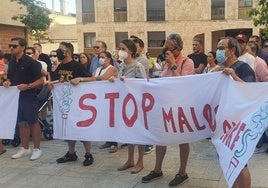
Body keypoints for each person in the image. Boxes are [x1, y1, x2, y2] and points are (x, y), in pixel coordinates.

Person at [142, 33, 195, 187]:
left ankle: (182, 172)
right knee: (161, 138)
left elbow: (182, 84)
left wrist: (173, 64)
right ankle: (157, 169)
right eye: (165, 48)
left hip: (180, 106)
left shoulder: (187, 62)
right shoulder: (165, 62)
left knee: (182, 140)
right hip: (164, 105)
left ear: (178, 49)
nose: (166, 51)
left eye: (169, 48)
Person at [216, 36, 255, 188]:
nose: (218, 51)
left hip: (239, 123)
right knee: (227, 159)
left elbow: (251, 93)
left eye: (221, 48)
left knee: (241, 162)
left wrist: (234, 76)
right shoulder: (218, 71)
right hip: (224, 123)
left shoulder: (244, 68)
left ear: (232, 50)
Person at [51, 42, 94, 166]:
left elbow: (92, 78)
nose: (58, 52)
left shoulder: (76, 66)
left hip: (78, 103)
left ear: (67, 52)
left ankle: (88, 153)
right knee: (67, 128)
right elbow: (60, 81)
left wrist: (80, 79)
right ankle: (71, 153)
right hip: (65, 103)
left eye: (60, 50)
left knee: (81, 128)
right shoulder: (60, 66)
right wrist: (52, 84)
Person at [110, 39, 147, 174]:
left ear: (130, 51)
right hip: (124, 104)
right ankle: (130, 160)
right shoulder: (120, 67)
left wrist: (130, 82)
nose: (121, 51)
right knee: (129, 132)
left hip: (136, 104)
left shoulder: (138, 66)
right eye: (120, 48)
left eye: (123, 49)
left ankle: (140, 161)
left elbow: (143, 85)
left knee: (138, 132)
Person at [3, 37, 44, 160]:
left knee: (33, 122)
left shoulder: (31, 62)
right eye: (10, 45)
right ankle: (25, 148)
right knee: (21, 122)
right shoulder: (11, 62)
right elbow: (10, 78)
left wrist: (28, 86)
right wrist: (7, 82)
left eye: (14, 46)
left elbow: (41, 80)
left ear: (22, 48)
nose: (11, 48)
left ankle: (37, 149)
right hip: (16, 97)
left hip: (29, 95)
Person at [71, 51, 118, 153]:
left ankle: (114, 143)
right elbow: (93, 78)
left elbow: (102, 78)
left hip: (109, 97)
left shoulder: (112, 69)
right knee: (104, 120)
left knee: (111, 119)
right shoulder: (98, 69)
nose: (100, 59)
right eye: (99, 57)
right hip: (98, 97)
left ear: (108, 59)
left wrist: (84, 79)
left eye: (103, 57)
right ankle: (108, 140)